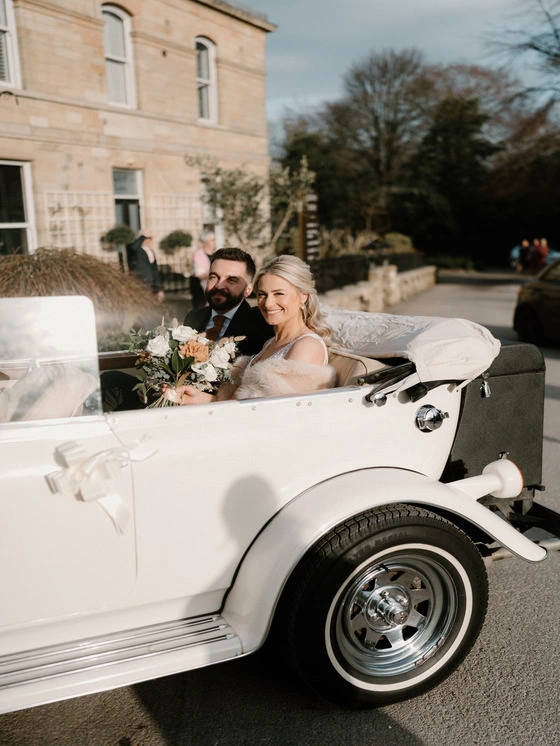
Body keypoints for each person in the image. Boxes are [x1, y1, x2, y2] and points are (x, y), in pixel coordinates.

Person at [173, 254, 336, 404]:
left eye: (279, 294)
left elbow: (280, 413)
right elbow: (242, 404)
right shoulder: (270, 343)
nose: (267, 303)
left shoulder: (306, 346)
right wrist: (204, 399)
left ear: (303, 296)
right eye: (262, 294)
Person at [184, 247, 273, 356]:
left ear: (248, 290)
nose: (219, 285)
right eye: (213, 277)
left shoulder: (261, 325)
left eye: (231, 280)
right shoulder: (193, 317)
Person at [126, 229, 164, 304]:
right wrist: (143, 236)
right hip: (139, 283)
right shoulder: (135, 250)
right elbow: (133, 247)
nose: (148, 240)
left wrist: (159, 289)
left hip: (151, 285)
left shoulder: (151, 252)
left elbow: (154, 270)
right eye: (146, 238)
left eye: (150, 238)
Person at [189, 229, 216, 309]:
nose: (214, 242)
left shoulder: (216, 254)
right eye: (212, 240)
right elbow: (200, 276)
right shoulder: (198, 255)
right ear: (205, 242)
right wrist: (215, 271)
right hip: (201, 290)